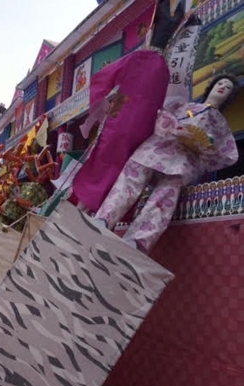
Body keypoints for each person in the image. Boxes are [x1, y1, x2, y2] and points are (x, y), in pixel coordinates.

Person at [94, 74, 240, 252]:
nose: (223, 87)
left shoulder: (220, 124)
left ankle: (139, 241)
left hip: (183, 161)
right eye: (220, 82)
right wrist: (173, 126)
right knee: (130, 179)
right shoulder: (184, 105)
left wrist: (205, 145)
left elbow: (225, 154)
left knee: (165, 198)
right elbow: (161, 118)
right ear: (211, 86)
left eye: (228, 87)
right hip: (158, 148)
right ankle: (104, 219)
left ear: (229, 96)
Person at [69, 0, 186, 213]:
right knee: (120, 177)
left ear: (150, 33)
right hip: (141, 133)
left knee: (100, 169)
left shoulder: (140, 56)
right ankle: (97, 218)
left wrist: (103, 105)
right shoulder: (165, 71)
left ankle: (78, 213)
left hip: (119, 121)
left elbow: (101, 78)